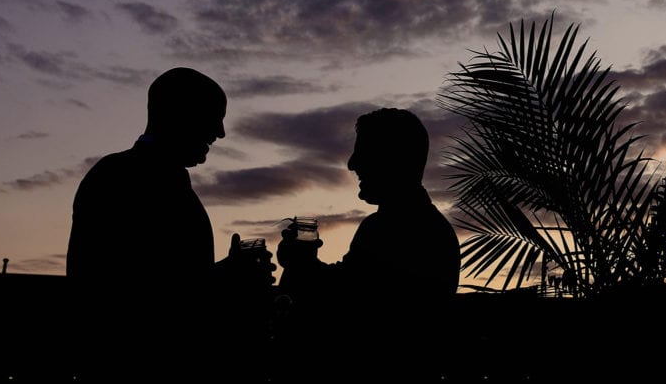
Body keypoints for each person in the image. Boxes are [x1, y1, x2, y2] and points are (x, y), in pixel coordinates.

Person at [66, 67, 275, 381]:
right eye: (213, 116)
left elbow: (167, 277)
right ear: (178, 113)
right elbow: (123, 295)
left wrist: (225, 274)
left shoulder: (151, 177)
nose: (220, 132)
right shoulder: (119, 178)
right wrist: (224, 278)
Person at [273, 107, 461, 377]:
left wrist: (300, 265)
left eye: (363, 152)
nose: (352, 164)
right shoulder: (417, 226)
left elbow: (344, 308)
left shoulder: (394, 229)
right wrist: (304, 264)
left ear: (392, 159)